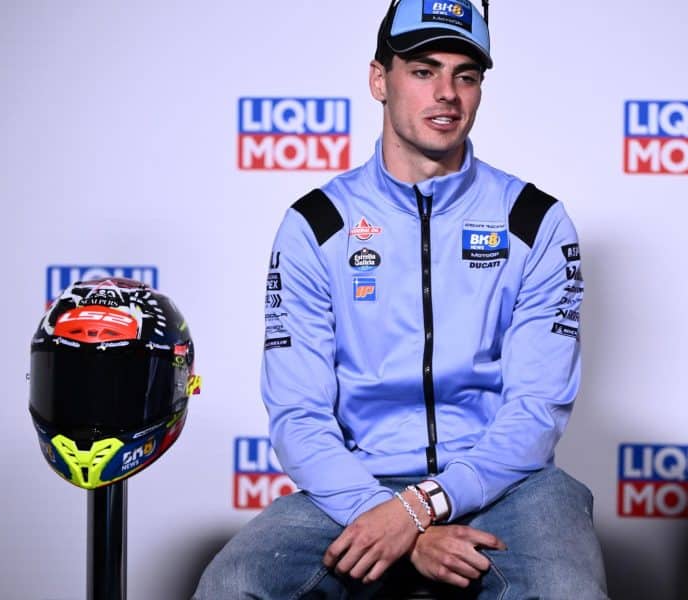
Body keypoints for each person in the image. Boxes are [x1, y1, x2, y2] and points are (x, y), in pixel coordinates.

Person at [195, 1, 607, 597]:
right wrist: (392, 517)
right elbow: (299, 414)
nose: (447, 94)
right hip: (357, 481)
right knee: (233, 584)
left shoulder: (533, 221)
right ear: (378, 80)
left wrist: (421, 507)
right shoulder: (317, 225)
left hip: (506, 484)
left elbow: (536, 411)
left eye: (465, 75)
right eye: (422, 70)